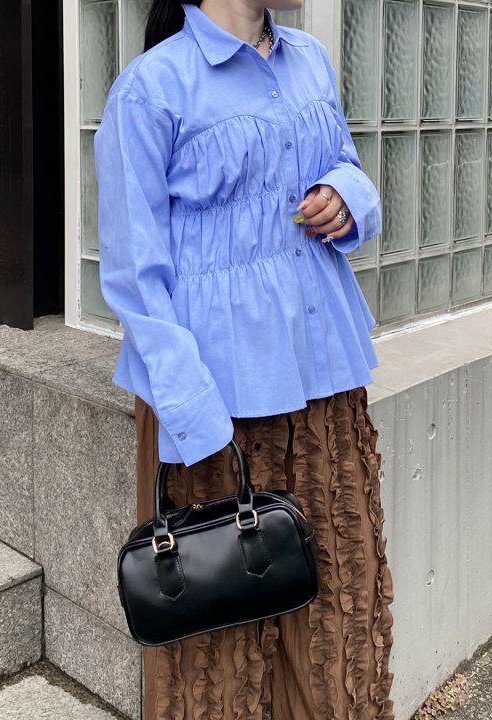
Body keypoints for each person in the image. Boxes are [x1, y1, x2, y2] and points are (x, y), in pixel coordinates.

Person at [94, 1, 395, 718]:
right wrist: (195, 418)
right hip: (214, 408)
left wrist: (347, 197)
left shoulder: (309, 59)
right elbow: (135, 274)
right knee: (221, 647)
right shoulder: (151, 88)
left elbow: (347, 164)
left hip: (321, 386)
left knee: (339, 620)